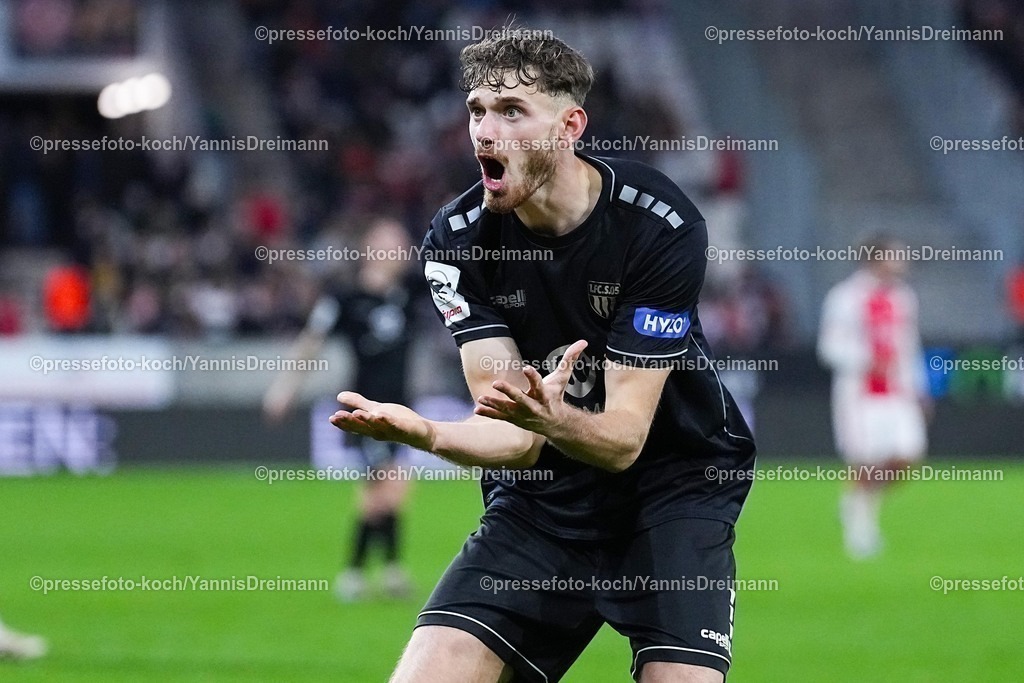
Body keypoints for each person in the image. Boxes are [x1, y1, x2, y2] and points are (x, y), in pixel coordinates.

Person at [329, 29, 755, 683]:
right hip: (543, 500)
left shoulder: (658, 223)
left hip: (673, 489)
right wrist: (427, 432)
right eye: (476, 110)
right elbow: (514, 435)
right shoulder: (458, 241)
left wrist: (550, 421)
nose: (484, 131)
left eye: (510, 112)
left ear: (569, 126)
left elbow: (621, 439)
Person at [264, 217, 416, 601]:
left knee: (388, 492)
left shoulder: (411, 292)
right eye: (389, 242)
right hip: (365, 409)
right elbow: (311, 341)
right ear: (369, 248)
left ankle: (374, 573)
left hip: (403, 408)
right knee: (386, 488)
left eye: (400, 243)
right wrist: (284, 389)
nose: (397, 250)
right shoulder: (345, 298)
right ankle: (366, 573)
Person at [818, 236, 929, 559]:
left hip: (898, 392)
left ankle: (854, 502)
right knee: (864, 460)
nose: (902, 262)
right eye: (895, 255)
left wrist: (919, 387)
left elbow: (909, 344)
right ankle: (860, 531)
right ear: (875, 258)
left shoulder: (904, 298)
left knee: (908, 455)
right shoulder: (845, 297)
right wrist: (866, 359)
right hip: (859, 394)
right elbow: (829, 347)